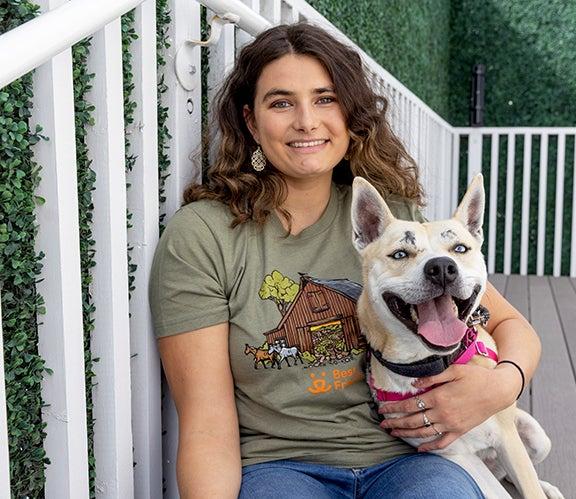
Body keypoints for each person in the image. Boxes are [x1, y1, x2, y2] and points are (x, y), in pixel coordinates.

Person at [149, 22, 541, 499]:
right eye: (281, 102)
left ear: (349, 114)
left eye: (325, 98)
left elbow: (510, 325)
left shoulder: (395, 223)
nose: (307, 122)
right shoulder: (204, 236)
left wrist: (501, 386)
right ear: (252, 123)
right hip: (282, 467)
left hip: (412, 460)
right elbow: (206, 424)